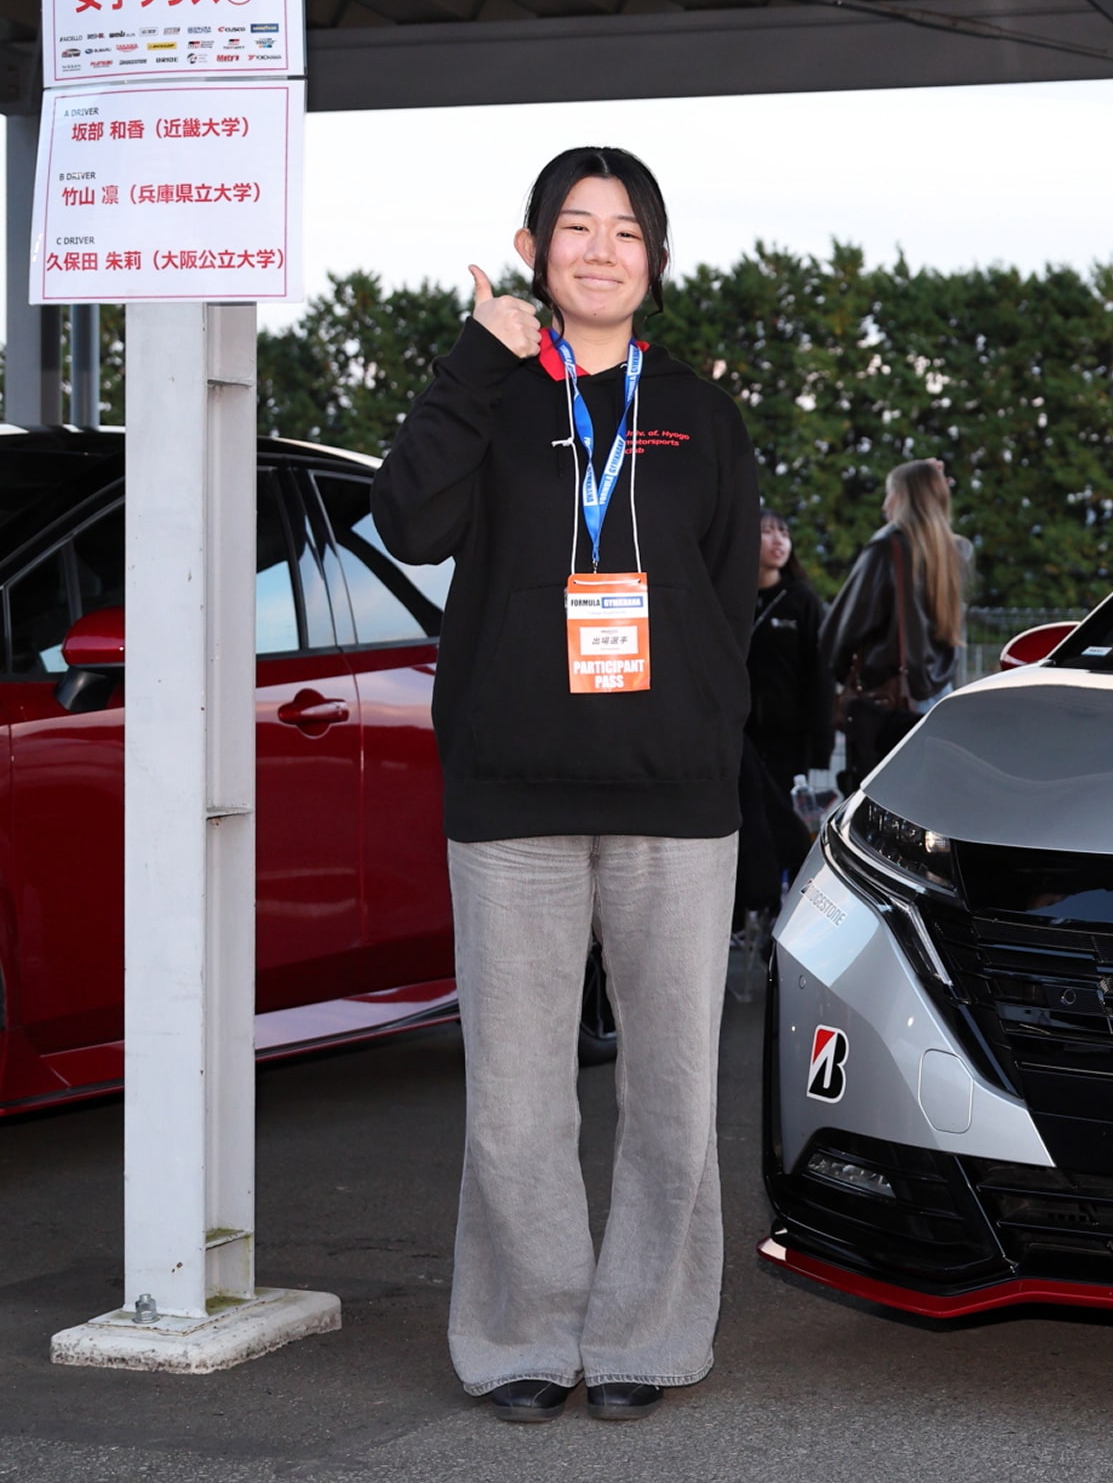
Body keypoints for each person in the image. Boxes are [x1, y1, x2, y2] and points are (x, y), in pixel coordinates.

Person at [370, 146, 757, 1425]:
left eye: (626, 229)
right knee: (516, 1097)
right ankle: (521, 1336)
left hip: (672, 796)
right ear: (533, 247)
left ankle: (646, 1332)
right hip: (512, 794)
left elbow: (726, 596)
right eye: (575, 226)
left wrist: (701, 722)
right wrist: (474, 357)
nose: (601, 249)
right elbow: (408, 523)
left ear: (657, 257)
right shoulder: (489, 389)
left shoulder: (698, 409)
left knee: (670, 1092)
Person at [820, 459, 973, 791]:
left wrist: (842, 671)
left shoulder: (887, 548)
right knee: (926, 799)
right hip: (938, 694)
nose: (884, 505)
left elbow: (844, 627)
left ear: (904, 498)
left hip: (887, 700)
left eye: (890, 493)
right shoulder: (958, 551)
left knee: (879, 799)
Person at [733, 508, 829, 910]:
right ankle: (744, 914)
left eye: (784, 533)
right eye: (767, 532)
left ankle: (783, 909)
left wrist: (820, 746)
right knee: (747, 826)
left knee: (786, 828)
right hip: (740, 738)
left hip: (789, 741)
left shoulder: (802, 601)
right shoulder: (731, 596)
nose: (778, 541)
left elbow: (820, 676)